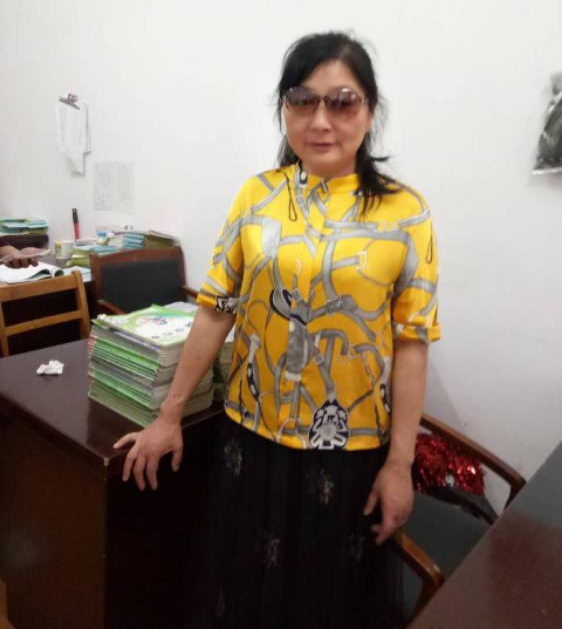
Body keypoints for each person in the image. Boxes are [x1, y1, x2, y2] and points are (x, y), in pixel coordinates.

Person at [114, 31, 440, 628]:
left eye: (342, 101)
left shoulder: (405, 212)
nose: (321, 120)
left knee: (323, 605)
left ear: (370, 110)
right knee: (240, 595)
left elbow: (412, 344)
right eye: (302, 100)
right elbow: (216, 308)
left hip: (347, 453)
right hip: (251, 438)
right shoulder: (257, 196)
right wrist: (168, 416)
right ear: (284, 109)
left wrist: (400, 464)